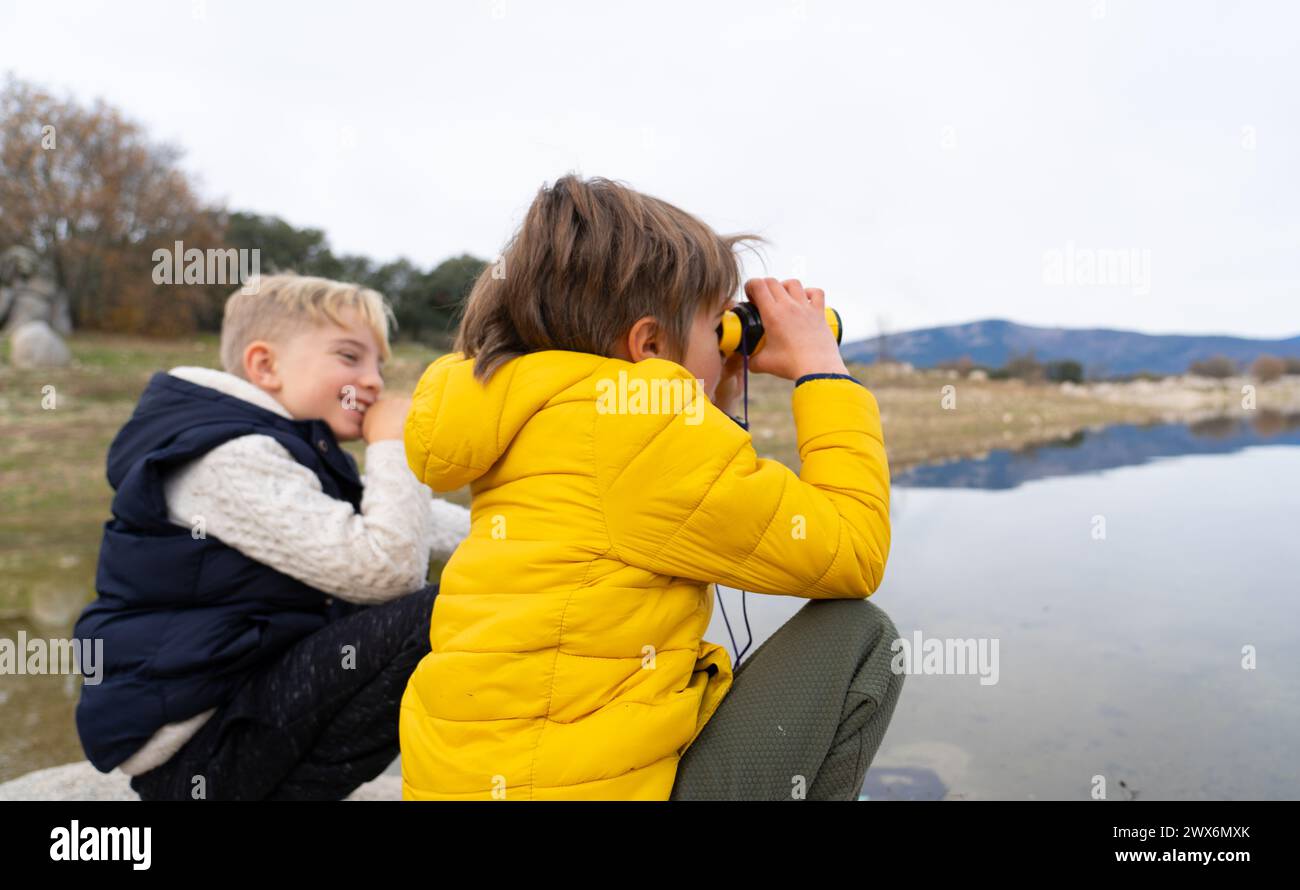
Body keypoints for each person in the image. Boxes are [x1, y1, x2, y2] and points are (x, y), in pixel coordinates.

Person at [399, 174, 904, 800]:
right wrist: (823, 370)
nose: (727, 344)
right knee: (858, 635)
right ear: (650, 345)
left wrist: (710, 384)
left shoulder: (531, 408)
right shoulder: (637, 425)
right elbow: (853, 551)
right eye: (715, 327)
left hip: (483, 781)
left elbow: (657, 501)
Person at [72, 274, 470, 800]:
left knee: (442, 602)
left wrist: (536, 530)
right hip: (203, 759)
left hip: (237, 725)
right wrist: (393, 445)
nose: (374, 381)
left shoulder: (281, 448)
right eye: (350, 358)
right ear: (266, 366)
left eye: (379, 364)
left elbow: (427, 524)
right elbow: (388, 570)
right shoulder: (229, 458)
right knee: (440, 612)